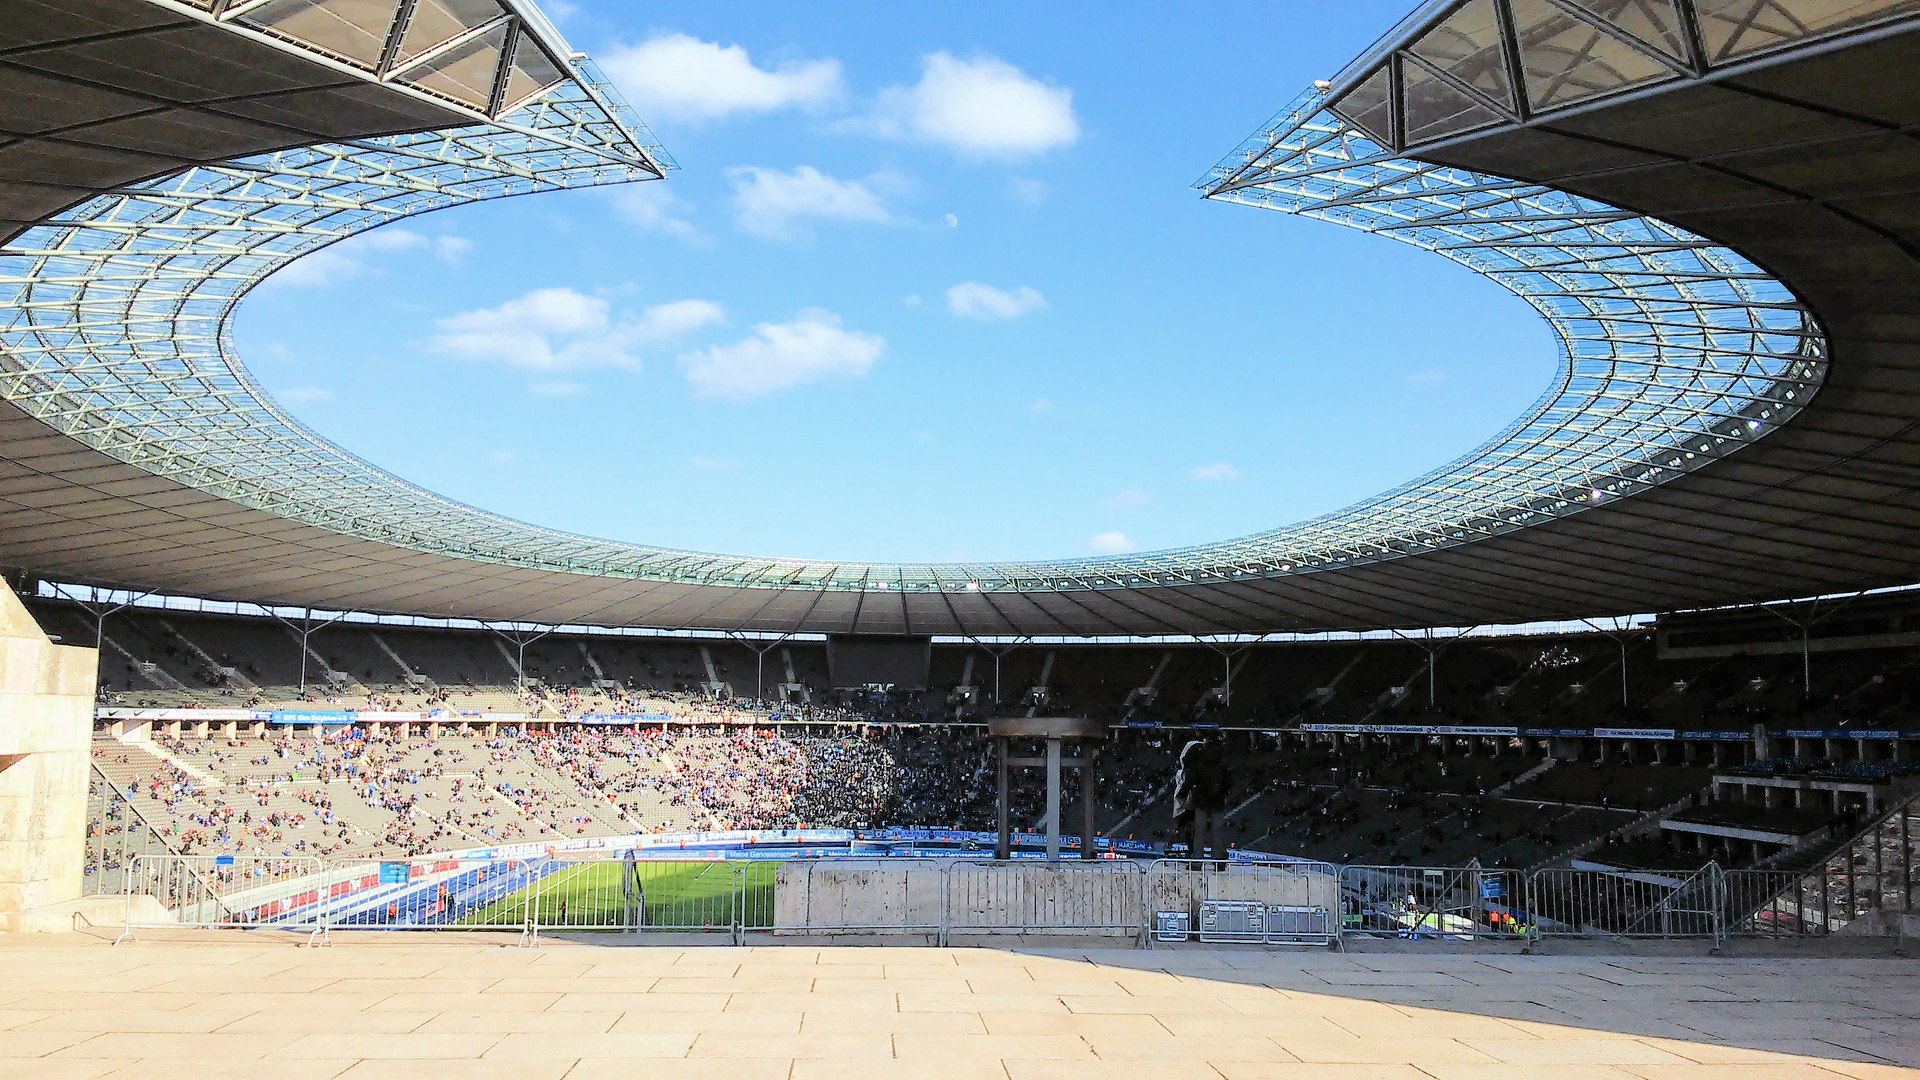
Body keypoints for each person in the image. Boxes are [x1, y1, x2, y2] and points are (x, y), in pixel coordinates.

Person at [1172, 736, 1231, 869]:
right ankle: (1219, 863)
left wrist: (1181, 796)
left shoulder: (1199, 763)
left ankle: (1197, 862)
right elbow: (1229, 783)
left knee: (1199, 833)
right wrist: (1224, 795)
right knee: (1218, 832)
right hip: (1217, 804)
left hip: (1201, 803)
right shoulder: (1221, 764)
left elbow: (1189, 780)